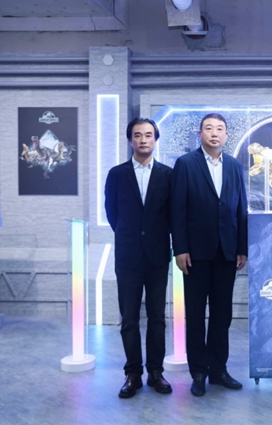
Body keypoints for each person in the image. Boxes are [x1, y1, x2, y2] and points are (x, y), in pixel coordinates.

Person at [171, 113, 248, 397]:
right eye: (208, 128)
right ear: (200, 133)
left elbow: (240, 209)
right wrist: (180, 248)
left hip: (226, 251)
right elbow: (177, 209)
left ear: (226, 135)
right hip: (195, 253)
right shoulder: (185, 164)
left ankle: (218, 370)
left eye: (219, 129)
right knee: (195, 314)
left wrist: (241, 247)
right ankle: (199, 373)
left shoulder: (235, 165)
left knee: (221, 314)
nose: (214, 133)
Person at [105, 118, 173, 399]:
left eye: (148, 135)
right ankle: (133, 374)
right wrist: (130, 236)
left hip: (158, 256)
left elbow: (172, 214)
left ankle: (156, 372)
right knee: (129, 318)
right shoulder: (117, 174)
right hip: (128, 256)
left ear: (155, 139)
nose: (143, 140)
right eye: (137, 135)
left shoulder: (168, 175)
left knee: (157, 318)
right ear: (130, 139)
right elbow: (112, 213)